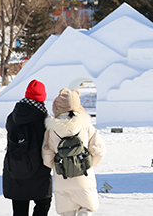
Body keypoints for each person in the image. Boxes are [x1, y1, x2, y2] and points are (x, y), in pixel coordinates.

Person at [42, 88, 105, 216]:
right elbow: (99, 149)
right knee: (87, 209)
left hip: (62, 179)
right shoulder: (85, 125)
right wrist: (91, 163)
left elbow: (47, 156)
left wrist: (56, 166)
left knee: (67, 212)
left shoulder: (51, 129)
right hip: (84, 177)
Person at [3, 79, 53, 216]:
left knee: (19, 208)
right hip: (38, 170)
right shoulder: (43, 119)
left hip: (15, 168)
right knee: (43, 202)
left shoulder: (13, 116)